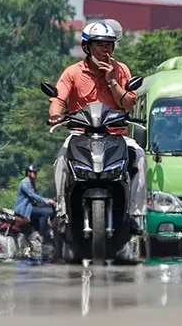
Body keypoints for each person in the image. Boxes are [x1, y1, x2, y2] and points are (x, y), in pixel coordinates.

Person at [48, 21, 146, 235]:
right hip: (80, 134)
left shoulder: (121, 70)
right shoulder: (72, 72)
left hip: (115, 135)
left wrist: (112, 81)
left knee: (139, 156)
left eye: (109, 45)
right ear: (86, 47)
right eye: (99, 44)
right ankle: (62, 213)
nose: (105, 50)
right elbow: (58, 98)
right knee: (61, 158)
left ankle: (133, 215)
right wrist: (55, 114)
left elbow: (128, 104)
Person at [12, 165, 57, 241]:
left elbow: (36, 197)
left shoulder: (31, 183)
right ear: (28, 173)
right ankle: (41, 236)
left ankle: (43, 234)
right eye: (34, 172)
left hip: (31, 208)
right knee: (47, 212)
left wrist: (50, 199)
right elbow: (32, 195)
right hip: (25, 209)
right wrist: (45, 200)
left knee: (50, 212)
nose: (35, 174)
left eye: (36, 172)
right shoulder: (25, 183)